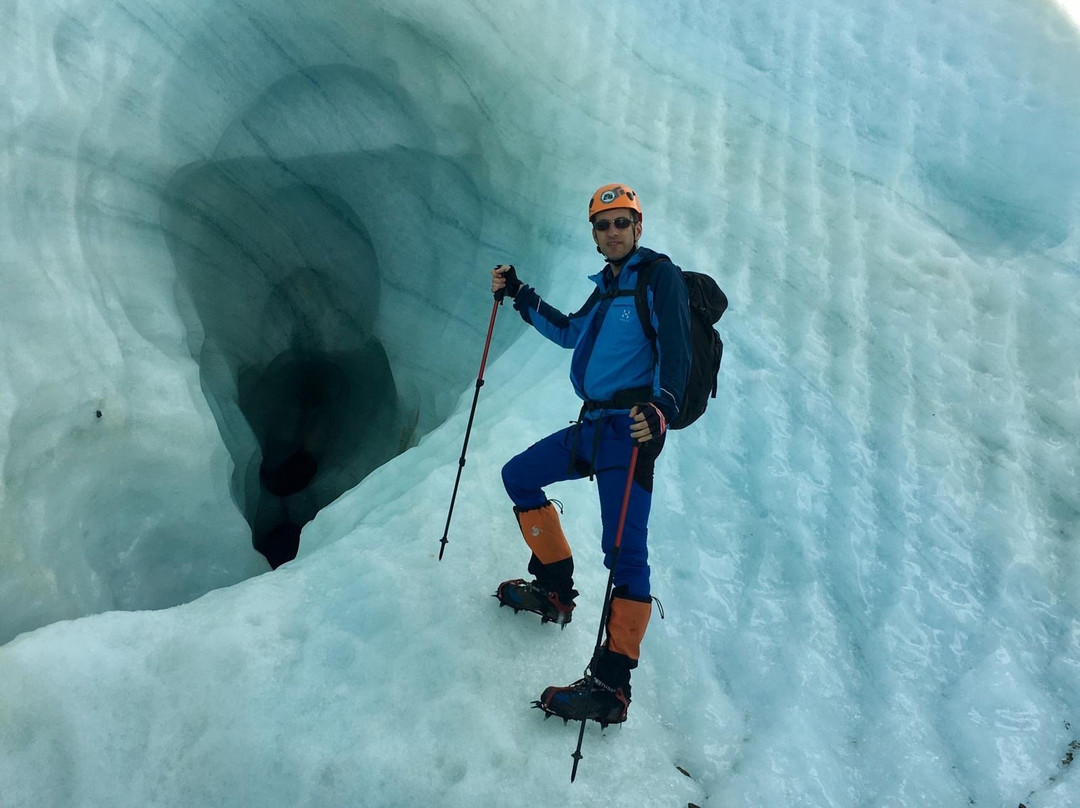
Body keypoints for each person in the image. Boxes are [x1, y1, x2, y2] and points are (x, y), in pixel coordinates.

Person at [490, 183, 691, 726]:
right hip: (593, 425)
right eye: (603, 225)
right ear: (595, 235)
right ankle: (556, 590)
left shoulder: (657, 277)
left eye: (622, 222)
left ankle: (611, 684)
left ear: (638, 226)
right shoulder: (606, 288)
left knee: (625, 552)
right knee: (520, 475)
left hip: (631, 430)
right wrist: (520, 294)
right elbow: (569, 332)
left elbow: (677, 350)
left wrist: (662, 407)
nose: (612, 232)